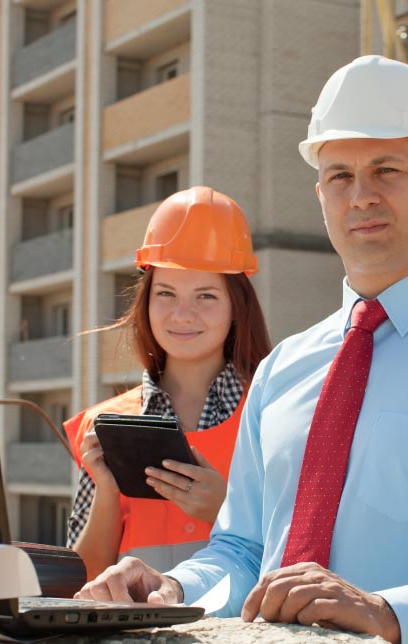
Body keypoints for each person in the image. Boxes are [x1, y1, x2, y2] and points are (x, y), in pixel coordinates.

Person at [76, 55, 408, 643]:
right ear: (321, 193)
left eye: (387, 170)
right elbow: (243, 550)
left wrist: (390, 613)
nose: (361, 196)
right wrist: (174, 588)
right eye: (341, 176)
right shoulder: (281, 370)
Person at [63, 186, 270, 581]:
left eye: (206, 296)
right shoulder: (104, 423)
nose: (182, 314)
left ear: (236, 308)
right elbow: (82, 580)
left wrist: (226, 509)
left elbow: (309, 549)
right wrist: (107, 490)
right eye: (166, 293)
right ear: (146, 302)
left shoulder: (274, 410)